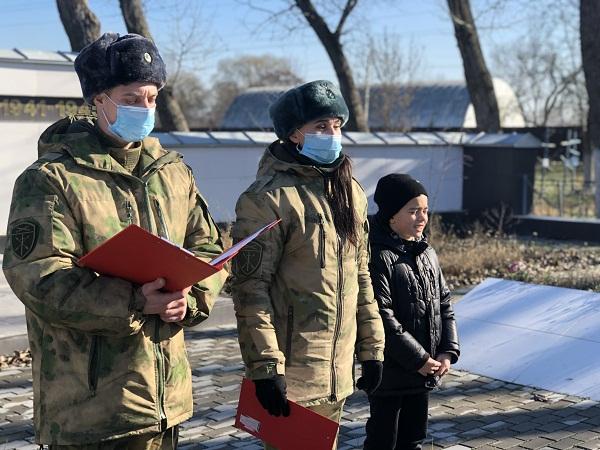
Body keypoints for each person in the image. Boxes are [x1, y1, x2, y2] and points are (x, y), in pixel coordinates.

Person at [2, 33, 226, 449]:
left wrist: (190, 296)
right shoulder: (52, 179)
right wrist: (135, 301)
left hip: (165, 400)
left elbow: (210, 248)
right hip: (91, 409)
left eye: (152, 98)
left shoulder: (172, 172)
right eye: (131, 98)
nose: (144, 108)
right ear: (99, 99)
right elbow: (38, 276)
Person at [230, 80, 385, 449]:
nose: (331, 134)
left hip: (337, 372)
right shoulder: (267, 198)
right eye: (320, 126)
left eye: (336, 125)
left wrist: (372, 348)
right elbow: (250, 290)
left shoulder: (349, 191)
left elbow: (361, 275)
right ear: (294, 134)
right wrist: (265, 367)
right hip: (292, 376)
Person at [363, 174, 460, 450]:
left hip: (424, 370)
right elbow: (381, 315)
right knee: (383, 440)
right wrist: (418, 358)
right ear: (392, 214)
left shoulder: (426, 252)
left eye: (425, 210)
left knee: (414, 440)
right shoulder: (376, 255)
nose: (422, 218)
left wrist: (447, 350)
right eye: (413, 211)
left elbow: (444, 303)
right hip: (390, 372)